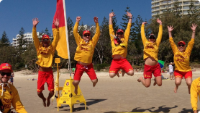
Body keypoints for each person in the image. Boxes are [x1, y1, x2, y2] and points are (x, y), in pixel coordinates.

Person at [32, 18, 59, 107]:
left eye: (47, 40)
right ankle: (43, 99)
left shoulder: (52, 48)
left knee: (51, 91)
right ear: (42, 41)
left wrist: (57, 28)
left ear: (49, 41)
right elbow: (35, 38)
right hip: (41, 72)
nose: (45, 42)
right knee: (38, 92)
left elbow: (56, 39)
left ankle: (48, 98)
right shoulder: (38, 47)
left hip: (49, 72)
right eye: (44, 40)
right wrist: (34, 27)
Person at [72, 16, 100, 95]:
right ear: (83, 36)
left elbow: (97, 33)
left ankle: (94, 81)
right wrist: (77, 22)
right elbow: (75, 32)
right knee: (75, 82)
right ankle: (76, 88)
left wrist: (96, 23)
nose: (87, 36)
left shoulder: (92, 42)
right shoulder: (80, 41)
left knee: (95, 81)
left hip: (89, 66)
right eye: (85, 35)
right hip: (80, 65)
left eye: (88, 35)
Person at [168, 24, 197, 94]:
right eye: (179, 45)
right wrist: (169, 32)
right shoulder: (175, 51)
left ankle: (189, 88)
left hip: (187, 71)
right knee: (177, 82)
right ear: (178, 46)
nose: (181, 46)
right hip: (178, 71)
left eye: (182, 45)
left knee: (189, 83)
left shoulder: (187, 51)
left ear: (184, 46)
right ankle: (176, 86)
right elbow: (171, 42)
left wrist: (193, 31)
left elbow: (191, 42)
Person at [137, 19, 163, 87]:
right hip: (148, 67)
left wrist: (160, 24)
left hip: (156, 66)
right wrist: (142, 26)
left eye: (153, 37)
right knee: (147, 85)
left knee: (159, 84)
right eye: (150, 37)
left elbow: (160, 34)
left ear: (155, 38)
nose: (152, 39)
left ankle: (155, 80)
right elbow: (142, 34)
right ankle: (141, 79)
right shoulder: (145, 43)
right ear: (148, 38)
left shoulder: (156, 43)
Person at [108, 12, 134, 78]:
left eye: (121, 33)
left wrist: (130, 18)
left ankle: (124, 70)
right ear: (116, 34)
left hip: (123, 60)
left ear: (123, 34)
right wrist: (110, 18)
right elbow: (110, 29)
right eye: (118, 33)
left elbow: (128, 28)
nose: (119, 35)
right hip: (115, 61)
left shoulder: (125, 39)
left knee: (131, 73)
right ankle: (116, 71)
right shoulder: (113, 39)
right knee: (111, 75)